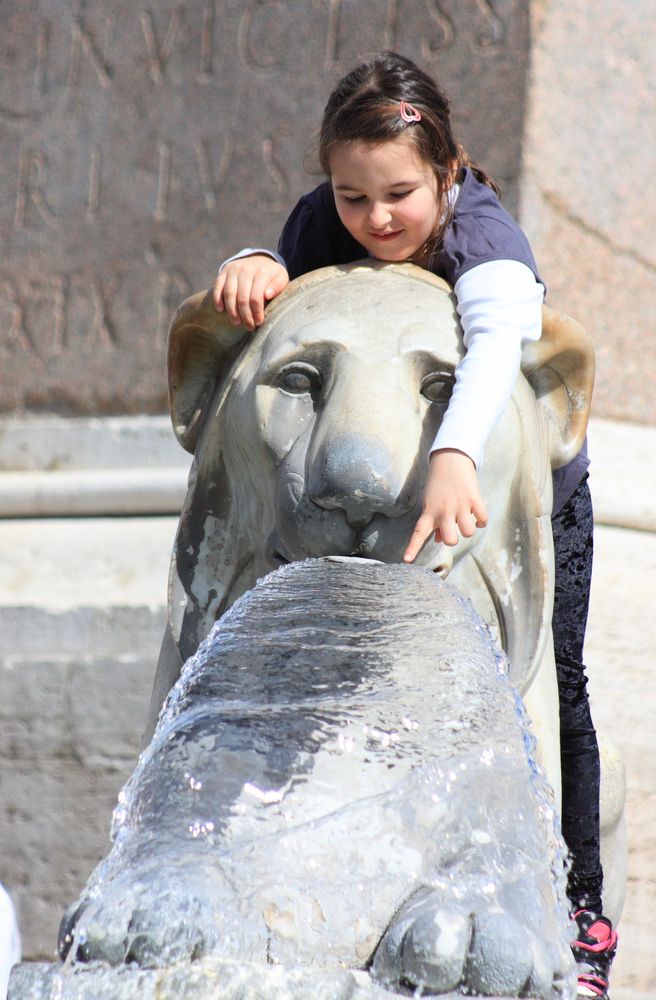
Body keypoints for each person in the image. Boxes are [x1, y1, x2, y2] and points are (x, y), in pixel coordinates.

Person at [212, 51, 617, 998]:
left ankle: (577, 910)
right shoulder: (326, 221)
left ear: (447, 171)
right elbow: (291, 299)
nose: (376, 219)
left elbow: (494, 353)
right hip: (363, 504)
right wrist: (253, 262)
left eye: (399, 193)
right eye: (352, 197)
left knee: (551, 688)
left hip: (512, 505)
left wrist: (454, 457)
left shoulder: (485, 235)